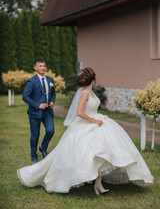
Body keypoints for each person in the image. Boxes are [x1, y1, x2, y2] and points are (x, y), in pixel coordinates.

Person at [17, 67, 153, 195]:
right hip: (89, 123)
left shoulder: (91, 92)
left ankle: (98, 183)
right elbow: (79, 112)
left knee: (102, 152)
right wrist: (94, 121)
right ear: (93, 79)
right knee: (89, 152)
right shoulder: (84, 93)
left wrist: (98, 120)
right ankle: (79, 178)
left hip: (98, 120)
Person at [22, 59, 56, 162]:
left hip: (47, 112)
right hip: (35, 112)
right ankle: (33, 155)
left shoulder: (50, 80)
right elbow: (25, 97)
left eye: (44, 66)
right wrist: (37, 105)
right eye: (40, 66)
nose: (42, 68)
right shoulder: (32, 81)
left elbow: (53, 93)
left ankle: (43, 147)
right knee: (35, 136)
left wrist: (52, 101)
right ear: (35, 68)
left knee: (51, 131)